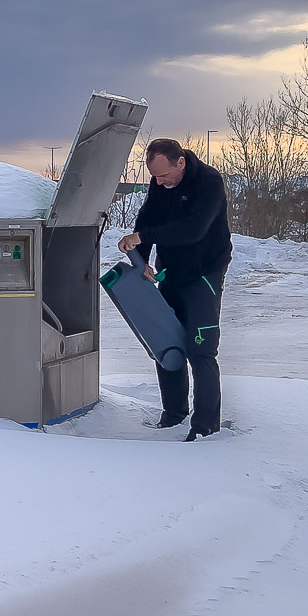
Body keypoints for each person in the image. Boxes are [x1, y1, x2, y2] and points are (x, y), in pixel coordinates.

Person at [117, 138, 231, 439]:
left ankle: (206, 427)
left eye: (164, 175)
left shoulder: (208, 182)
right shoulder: (160, 185)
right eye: (154, 177)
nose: (159, 181)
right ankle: (173, 414)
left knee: (200, 348)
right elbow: (147, 219)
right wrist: (140, 259)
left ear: (180, 163)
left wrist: (142, 237)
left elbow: (194, 229)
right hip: (172, 272)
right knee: (166, 340)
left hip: (204, 271)